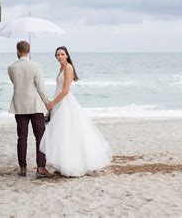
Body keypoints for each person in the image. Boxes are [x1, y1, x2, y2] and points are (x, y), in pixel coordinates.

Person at [40, 46, 112, 177]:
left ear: (67, 55)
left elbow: (66, 90)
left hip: (64, 103)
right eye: (57, 55)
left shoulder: (68, 68)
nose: (60, 56)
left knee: (67, 132)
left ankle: (71, 165)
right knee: (60, 133)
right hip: (59, 102)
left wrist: (52, 103)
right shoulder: (61, 68)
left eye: (62, 54)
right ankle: (61, 163)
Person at [8, 41, 54, 178]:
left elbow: (15, 83)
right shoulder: (36, 66)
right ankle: (41, 167)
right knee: (40, 136)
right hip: (35, 105)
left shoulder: (11, 67)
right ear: (29, 51)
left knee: (22, 137)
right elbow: (40, 87)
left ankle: (22, 168)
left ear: (17, 50)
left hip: (19, 105)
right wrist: (47, 103)